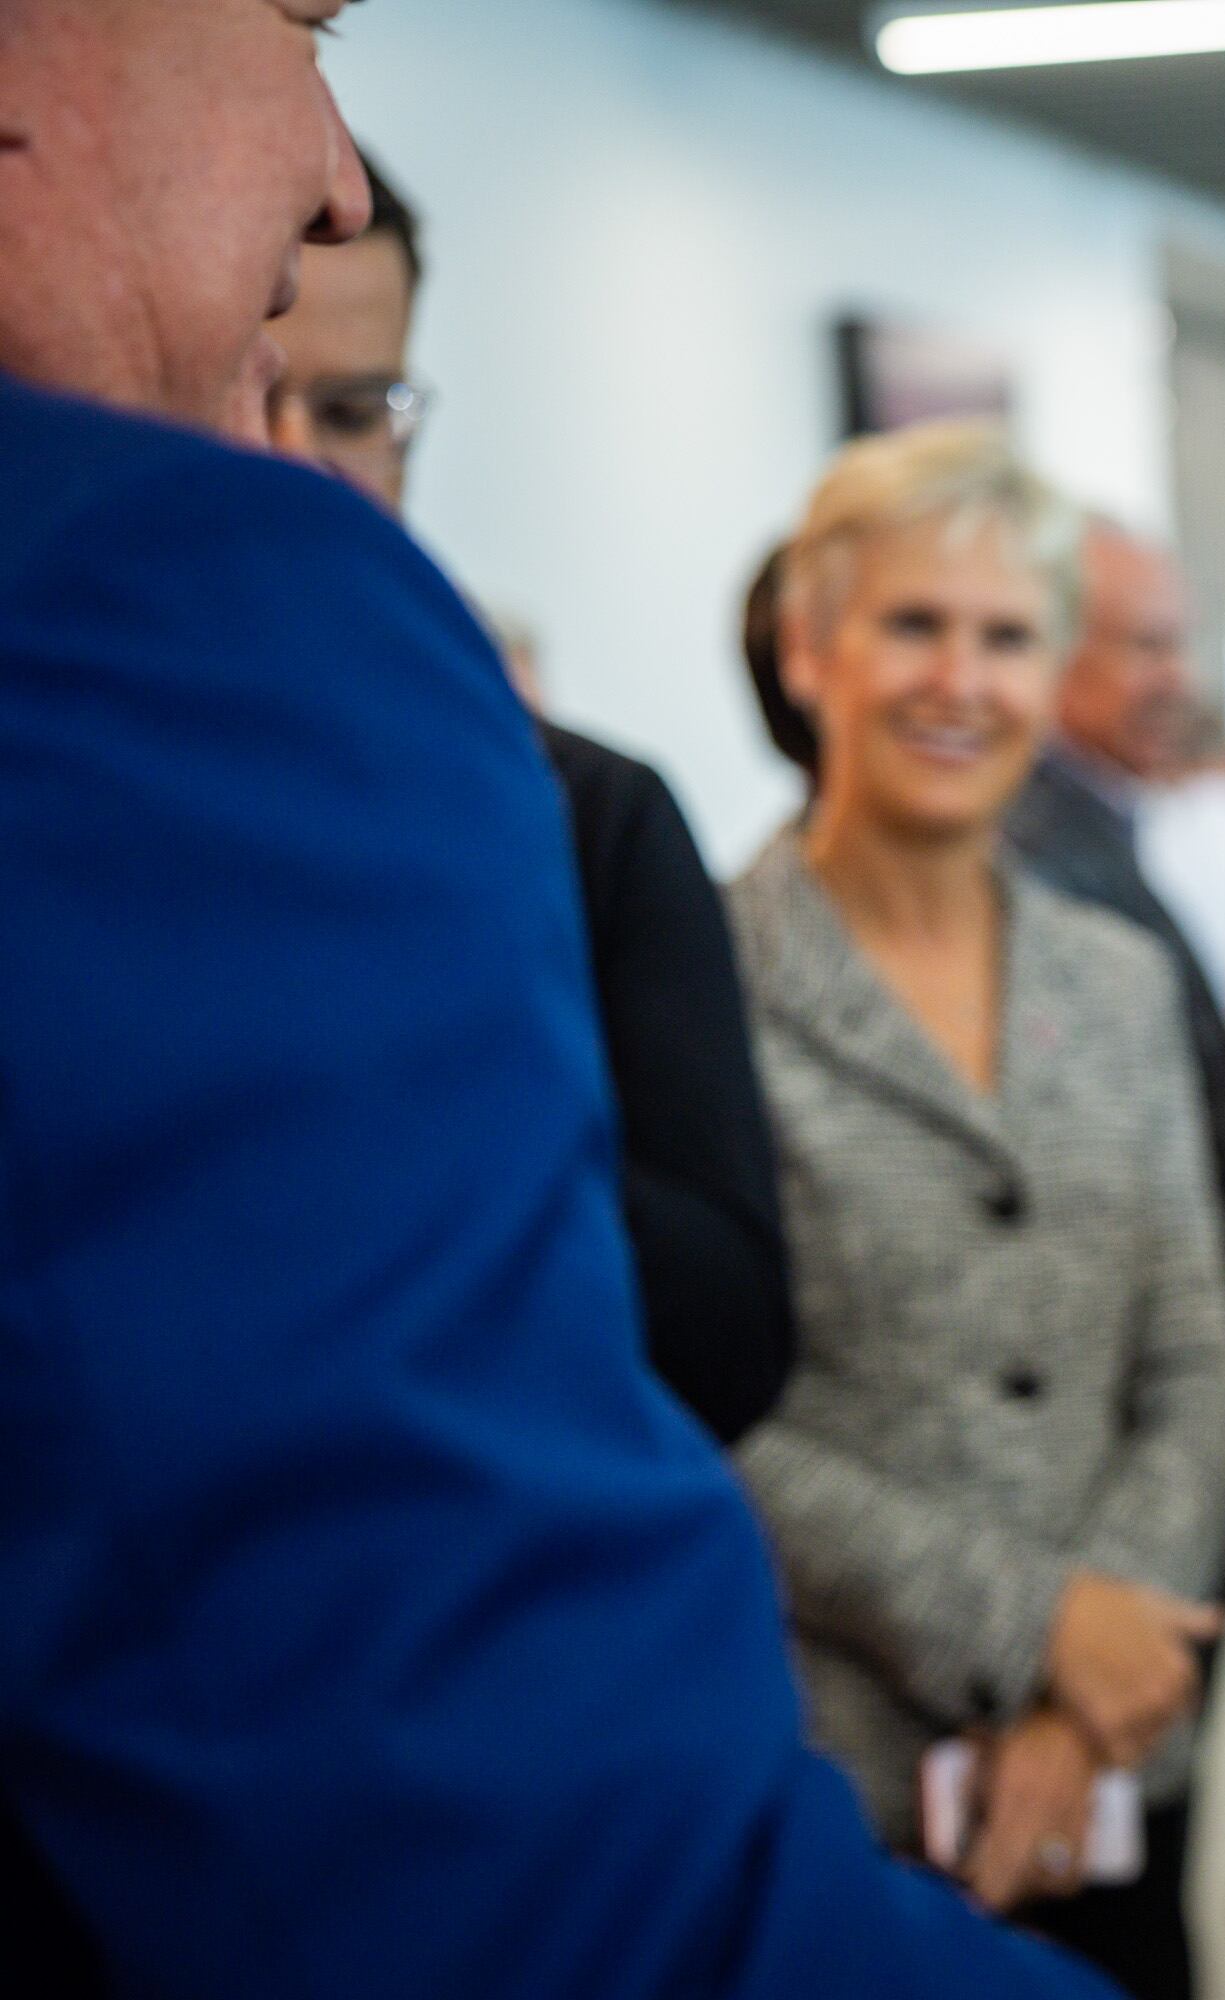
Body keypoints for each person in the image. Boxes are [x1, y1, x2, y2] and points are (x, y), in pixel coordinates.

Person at [0, 3, 1108, 1993]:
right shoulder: (181, 636)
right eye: (298, 16)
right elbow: (505, 1876)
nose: (337, 163)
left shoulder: (1100, 958)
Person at [727, 420, 1225, 2000]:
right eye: (912, 625)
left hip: (1108, 1770)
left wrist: (1084, 1695)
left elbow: (1197, 1360)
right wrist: (1036, 1628)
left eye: (1008, 638)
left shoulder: (1119, 976)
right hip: (830, 1780)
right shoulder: (693, 977)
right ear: (811, 650)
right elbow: (689, 1401)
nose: (961, 682)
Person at [264, 147, 794, 1440]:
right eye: (244, 393)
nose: (291, 463)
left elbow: (726, 1332)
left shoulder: (580, 815)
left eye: (352, 414)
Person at [1007, 521, 1225, 1531]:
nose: (1176, 679)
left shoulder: (1107, 834)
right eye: (1145, 645)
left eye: (1181, 644)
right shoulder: (1035, 858)